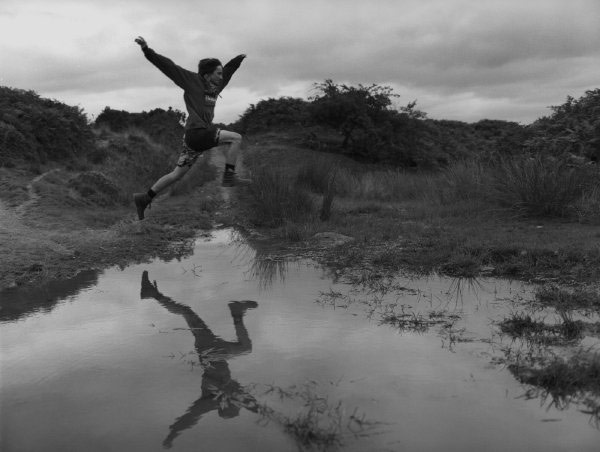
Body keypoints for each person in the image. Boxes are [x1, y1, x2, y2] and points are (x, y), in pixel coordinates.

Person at [132, 36, 247, 220]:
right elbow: (168, 67)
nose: (221, 76)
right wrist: (147, 50)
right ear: (207, 74)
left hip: (192, 140)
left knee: (176, 174)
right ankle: (229, 176)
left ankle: (144, 198)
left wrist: (237, 60)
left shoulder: (216, 87)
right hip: (197, 133)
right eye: (218, 73)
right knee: (236, 138)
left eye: (221, 73)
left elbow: (229, 71)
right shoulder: (192, 81)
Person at [140, 271, 259, 448]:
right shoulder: (227, 396)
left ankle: (237, 312)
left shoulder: (212, 401)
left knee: (245, 348)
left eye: (235, 404)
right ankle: (152, 293)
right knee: (188, 313)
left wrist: (173, 433)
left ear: (226, 405)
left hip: (212, 353)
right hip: (212, 352)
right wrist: (253, 406)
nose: (237, 399)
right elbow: (247, 400)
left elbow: (191, 417)